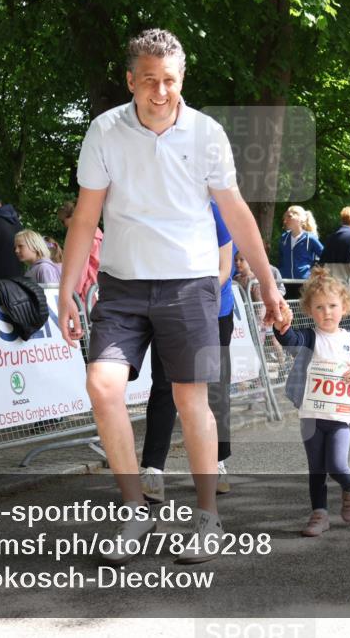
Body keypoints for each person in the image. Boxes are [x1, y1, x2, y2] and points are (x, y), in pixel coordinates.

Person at [57, 28, 290, 565]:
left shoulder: (207, 133)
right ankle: (135, 509)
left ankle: (207, 516)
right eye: (149, 82)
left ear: (182, 78)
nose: (161, 92)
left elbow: (235, 214)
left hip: (191, 286)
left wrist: (268, 285)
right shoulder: (104, 131)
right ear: (130, 81)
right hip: (120, 285)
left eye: (170, 81)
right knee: (102, 385)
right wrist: (68, 291)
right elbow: (86, 216)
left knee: (191, 400)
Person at [141, 201, 236, 502]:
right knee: (164, 384)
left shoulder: (212, 208)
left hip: (214, 308)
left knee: (214, 387)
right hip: (169, 306)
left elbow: (225, 265)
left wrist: (196, 301)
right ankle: (152, 469)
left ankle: (216, 463)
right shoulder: (154, 205)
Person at [272, 268, 350, 536]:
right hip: (311, 415)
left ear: (344, 307)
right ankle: (319, 514)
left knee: (337, 465)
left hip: (340, 416)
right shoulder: (308, 337)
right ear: (309, 310)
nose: (327, 312)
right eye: (319, 307)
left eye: (332, 306)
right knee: (316, 468)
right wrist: (281, 327)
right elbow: (289, 340)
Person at [58, 200, 102, 301]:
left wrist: (73, 293)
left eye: (63, 220)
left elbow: (80, 267)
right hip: (101, 286)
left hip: (88, 289)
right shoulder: (97, 232)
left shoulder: (81, 236)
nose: (64, 224)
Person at [277, 205, 323, 298]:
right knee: (288, 311)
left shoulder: (310, 238)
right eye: (286, 216)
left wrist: (315, 273)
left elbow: (325, 256)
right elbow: (281, 259)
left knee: (303, 311)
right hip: (285, 282)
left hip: (303, 283)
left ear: (300, 219)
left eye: (289, 216)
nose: (286, 219)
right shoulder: (284, 238)